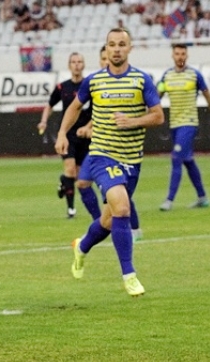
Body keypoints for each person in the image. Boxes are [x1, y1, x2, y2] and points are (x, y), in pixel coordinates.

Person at [55, 28, 164, 297]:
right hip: (104, 155)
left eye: (121, 44)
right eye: (112, 44)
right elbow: (74, 108)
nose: (116, 49)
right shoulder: (94, 81)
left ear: (130, 48)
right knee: (123, 207)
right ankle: (129, 275)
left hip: (132, 160)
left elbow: (158, 116)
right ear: (106, 49)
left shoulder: (141, 80)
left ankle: (81, 247)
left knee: (108, 220)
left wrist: (133, 122)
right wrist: (61, 134)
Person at [75, 45, 142, 239]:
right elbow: (101, 115)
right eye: (103, 58)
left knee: (120, 191)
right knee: (82, 182)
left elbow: (116, 118)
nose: (106, 61)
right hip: (99, 148)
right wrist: (89, 127)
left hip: (116, 148)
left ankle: (134, 228)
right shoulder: (98, 82)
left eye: (108, 58)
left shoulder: (123, 83)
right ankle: (101, 223)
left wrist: (90, 129)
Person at [157, 44, 210, 211]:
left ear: (187, 56)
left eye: (183, 53)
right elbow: (156, 98)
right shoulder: (166, 76)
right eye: (177, 53)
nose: (180, 56)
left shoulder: (195, 75)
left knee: (176, 157)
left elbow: (209, 99)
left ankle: (169, 200)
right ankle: (202, 197)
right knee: (187, 161)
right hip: (174, 125)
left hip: (189, 123)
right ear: (172, 56)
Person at [38, 52, 100, 219]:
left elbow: (98, 110)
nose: (77, 65)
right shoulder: (62, 87)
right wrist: (44, 121)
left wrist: (89, 127)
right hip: (68, 135)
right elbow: (49, 105)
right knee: (70, 169)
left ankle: (64, 182)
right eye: (73, 62)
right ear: (69, 65)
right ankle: (71, 209)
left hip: (86, 136)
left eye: (79, 61)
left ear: (84, 64)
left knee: (79, 175)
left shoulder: (90, 86)